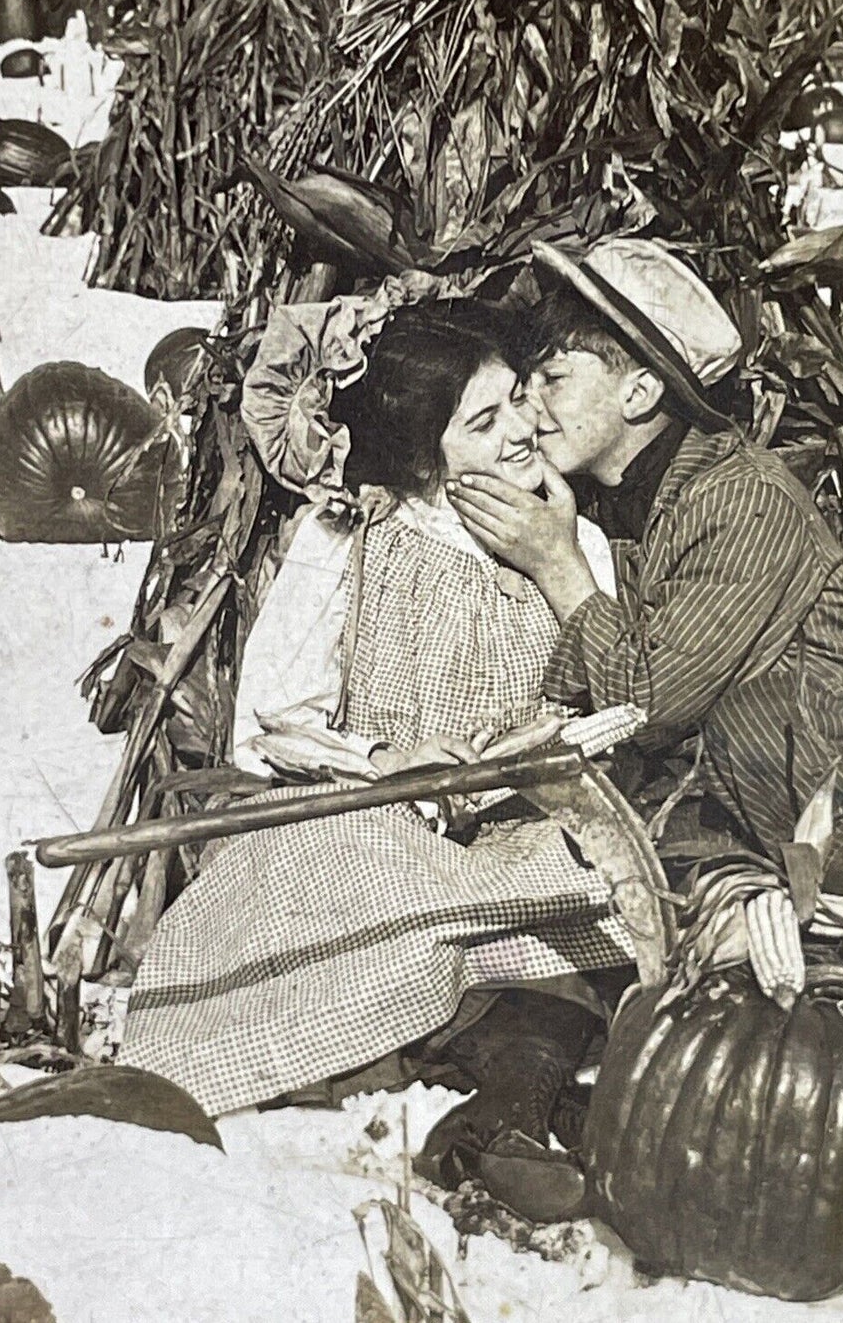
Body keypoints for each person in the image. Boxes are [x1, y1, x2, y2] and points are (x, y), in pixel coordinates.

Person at [122, 298, 637, 1215]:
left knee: (563, 934)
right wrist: (383, 755)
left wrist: (536, 728)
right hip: (376, 811)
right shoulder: (354, 538)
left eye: (519, 398)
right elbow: (276, 713)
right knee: (346, 916)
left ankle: (498, 1121)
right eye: (482, 422)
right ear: (420, 453)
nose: (523, 429)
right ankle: (400, 1064)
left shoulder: (576, 539)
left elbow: (609, 690)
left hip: (509, 827)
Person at [447, 238, 843, 897]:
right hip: (716, 806)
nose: (530, 409)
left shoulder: (740, 501)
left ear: (638, 391)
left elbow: (651, 702)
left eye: (553, 380)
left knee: (755, 714)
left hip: (834, 797)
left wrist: (558, 565)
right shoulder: (614, 500)